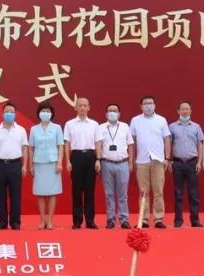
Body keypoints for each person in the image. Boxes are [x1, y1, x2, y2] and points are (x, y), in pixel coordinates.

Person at [129, 96, 171, 229]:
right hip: (141, 161)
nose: (148, 105)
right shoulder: (135, 120)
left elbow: (167, 139)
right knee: (143, 191)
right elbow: (131, 142)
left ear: (154, 105)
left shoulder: (161, 120)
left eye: (150, 103)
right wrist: (132, 159)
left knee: (158, 191)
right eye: (145, 103)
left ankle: (158, 219)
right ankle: (144, 219)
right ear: (141, 106)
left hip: (158, 160)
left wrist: (167, 157)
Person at [0, 102, 27, 230]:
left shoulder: (21, 130)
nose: (9, 114)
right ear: (2, 113)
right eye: (6, 111)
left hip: (15, 164)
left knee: (15, 195)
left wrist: (24, 165)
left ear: (15, 114)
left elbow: (25, 149)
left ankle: (15, 222)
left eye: (11, 111)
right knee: (0, 195)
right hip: (0, 165)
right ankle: (2, 221)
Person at [64, 97, 99, 229]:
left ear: (89, 108)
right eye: (80, 105)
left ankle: (90, 221)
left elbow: (98, 143)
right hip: (76, 156)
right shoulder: (69, 124)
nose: (82, 108)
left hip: (90, 156)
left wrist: (98, 159)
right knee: (76, 190)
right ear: (75, 107)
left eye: (85, 105)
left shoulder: (94, 124)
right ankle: (77, 221)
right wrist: (68, 161)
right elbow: (67, 143)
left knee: (90, 190)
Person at [169, 101, 204, 228]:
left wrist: (199, 162)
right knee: (178, 193)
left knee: (193, 193)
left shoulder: (196, 127)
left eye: (187, 109)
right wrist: (169, 160)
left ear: (190, 111)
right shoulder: (172, 127)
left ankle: (195, 220)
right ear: (178, 111)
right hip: (177, 163)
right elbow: (169, 144)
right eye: (182, 109)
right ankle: (178, 220)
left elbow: (200, 144)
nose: (185, 111)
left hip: (192, 163)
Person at [97, 103, 134, 229]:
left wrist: (130, 162)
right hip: (107, 163)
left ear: (119, 114)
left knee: (123, 194)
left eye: (115, 110)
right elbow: (98, 144)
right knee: (109, 194)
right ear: (106, 114)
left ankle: (124, 219)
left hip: (122, 163)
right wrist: (98, 160)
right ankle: (110, 219)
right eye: (110, 110)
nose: (112, 112)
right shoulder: (101, 127)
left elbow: (130, 145)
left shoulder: (125, 126)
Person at [29, 102, 65, 230]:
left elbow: (60, 146)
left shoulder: (57, 128)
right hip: (39, 164)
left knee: (52, 193)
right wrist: (31, 165)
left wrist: (60, 162)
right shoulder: (34, 129)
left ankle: (50, 221)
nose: (45, 113)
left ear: (52, 113)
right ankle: (42, 220)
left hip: (53, 163)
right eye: (43, 111)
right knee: (40, 193)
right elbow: (31, 148)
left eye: (48, 111)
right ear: (39, 113)